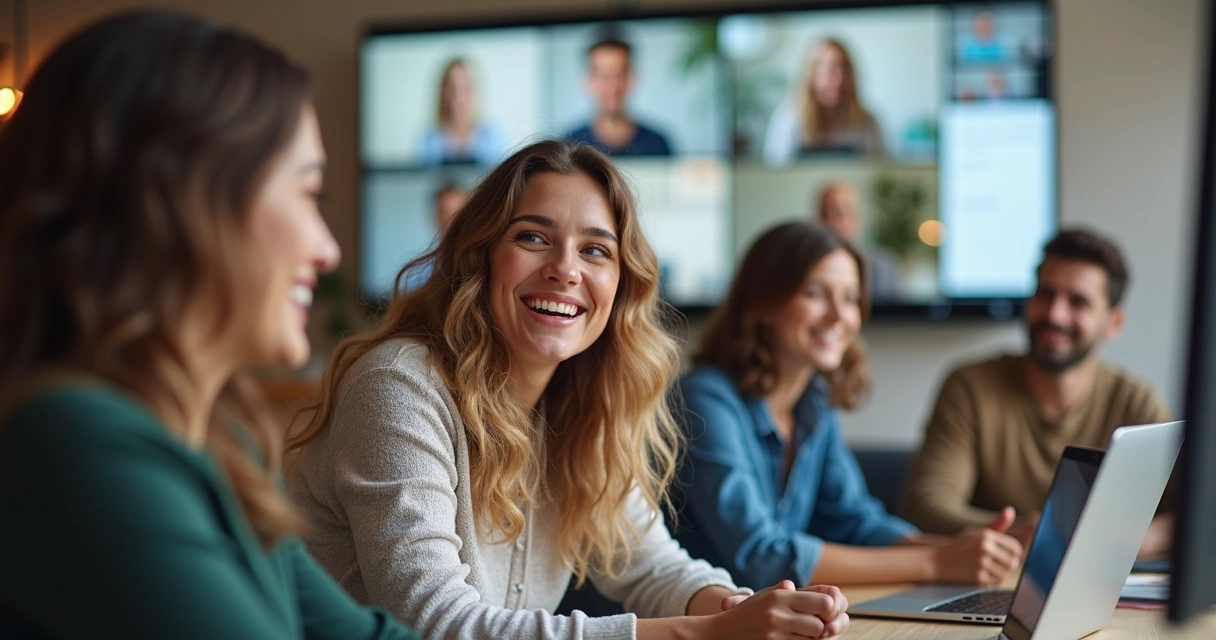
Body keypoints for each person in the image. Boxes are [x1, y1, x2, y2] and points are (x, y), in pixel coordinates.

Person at [287, 140, 849, 639]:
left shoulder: (579, 406)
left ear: (620, 285)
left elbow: (652, 566)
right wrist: (705, 633)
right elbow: (437, 625)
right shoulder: (400, 386)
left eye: (596, 250)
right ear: (478, 256)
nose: (566, 269)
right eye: (533, 237)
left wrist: (757, 612)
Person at [0, 10, 418, 640]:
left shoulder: (223, 437)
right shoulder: (72, 440)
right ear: (184, 204)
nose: (327, 249)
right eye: (308, 193)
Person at [671, 222, 1024, 590]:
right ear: (763, 304)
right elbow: (761, 558)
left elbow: (855, 521)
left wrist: (960, 550)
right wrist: (937, 563)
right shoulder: (704, 399)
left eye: (850, 298)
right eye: (815, 293)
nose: (839, 316)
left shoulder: (815, 403)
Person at [901, 228, 1174, 558]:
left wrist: (1093, 543)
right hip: (986, 585)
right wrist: (1023, 536)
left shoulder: (1135, 404)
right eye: (1045, 294)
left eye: (1078, 302)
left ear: (1113, 322)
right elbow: (927, 504)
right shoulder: (970, 388)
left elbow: (1191, 514)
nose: (1055, 314)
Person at [763, 38, 884, 165]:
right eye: (830, 70)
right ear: (811, 74)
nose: (838, 79)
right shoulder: (788, 119)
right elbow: (775, 171)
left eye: (844, 70)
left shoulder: (867, 123)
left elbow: (877, 173)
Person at [566, 37, 673, 157]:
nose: (613, 87)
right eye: (604, 75)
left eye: (620, 75)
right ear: (588, 81)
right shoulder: (568, 146)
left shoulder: (658, 145)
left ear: (632, 78)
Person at [815, 180, 901, 302]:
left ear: (857, 219)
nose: (831, 221)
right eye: (824, 213)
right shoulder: (808, 265)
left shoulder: (883, 266)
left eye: (839, 213)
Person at [419, 58, 508, 167]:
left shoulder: (494, 134)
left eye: (465, 87)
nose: (458, 94)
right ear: (442, 91)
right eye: (451, 86)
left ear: (474, 90)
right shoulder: (430, 137)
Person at [401, 182, 469, 291]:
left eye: (459, 212)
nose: (453, 221)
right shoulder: (417, 274)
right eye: (446, 213)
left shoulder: (481, 265)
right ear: (434, 219)